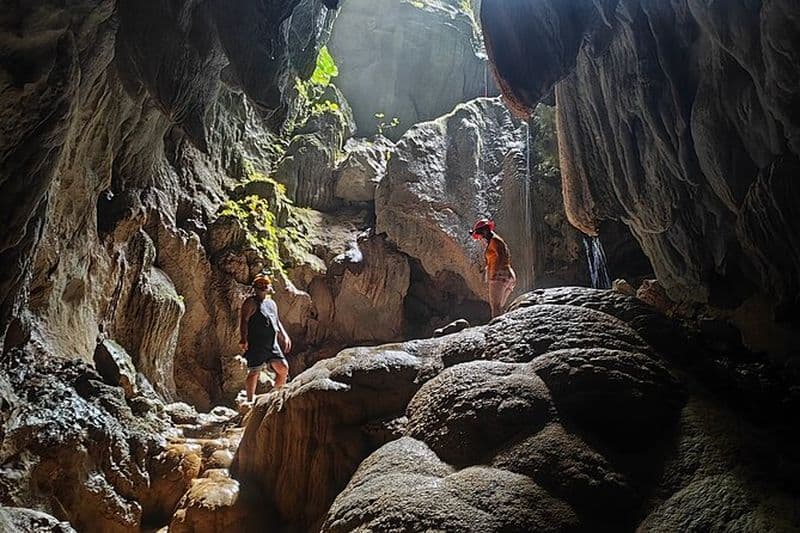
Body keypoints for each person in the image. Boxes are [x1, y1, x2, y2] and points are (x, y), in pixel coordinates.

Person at [239, 274, 292, 402]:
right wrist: (243, 338)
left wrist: (284, 336)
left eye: (265, 285)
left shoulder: (271, 303)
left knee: (283, 368)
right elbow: (244, 321)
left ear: (269, 287)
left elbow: (277, 321)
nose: (263, 287)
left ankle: (274, 396)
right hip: (257, 343)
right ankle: (250, 400)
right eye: (260, 285)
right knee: (254, 371)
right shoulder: (250, 302)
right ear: (255, 287)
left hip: (272, 343)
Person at [470, 218, 516, 317]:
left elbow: (502, 256)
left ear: (485, 231)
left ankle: (497, 331)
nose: (480, 237)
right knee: (499, 307)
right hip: (507, 275)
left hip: (500, 275)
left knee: (495, 307)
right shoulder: (495, 241)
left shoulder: (495, 241)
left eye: (480, 234)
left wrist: (495, 274)